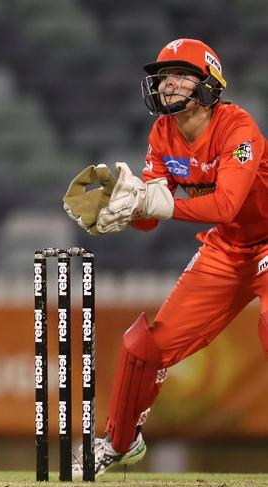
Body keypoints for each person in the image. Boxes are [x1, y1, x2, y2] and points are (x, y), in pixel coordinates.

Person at [64, 38, 268, 478]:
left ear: (209, 84)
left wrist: (157, 205)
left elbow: (227, 205)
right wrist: (125, 208)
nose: (167, 84)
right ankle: (119, 442)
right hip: (227, 249)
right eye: (162, 77)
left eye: (179, 75)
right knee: (145, 349)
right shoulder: (163, 133)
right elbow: (151, 220)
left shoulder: (239, 129)